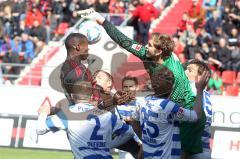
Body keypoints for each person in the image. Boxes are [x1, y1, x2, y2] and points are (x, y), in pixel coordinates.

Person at [78, 8, 204, 157]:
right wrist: (101, 19)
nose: (145, 46)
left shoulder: (172, 73)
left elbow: (174, 101)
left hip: (186, 109)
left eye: (150, 45)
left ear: (159, 52)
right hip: (168, 104)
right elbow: (125, 41)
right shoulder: (146, 54)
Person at [36, 62, 137, 159]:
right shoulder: (101, 105)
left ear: (109, 83)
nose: (95, 79)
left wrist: (45, 112)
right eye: (94, 77)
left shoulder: (109, 97)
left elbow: (40, 129)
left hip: (120, 142)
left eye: (99, 77)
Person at [133, 66, 209, 159]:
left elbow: (134, 122)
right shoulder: (169, 106)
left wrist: (145, 141)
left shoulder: (143, 102)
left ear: (153, 85)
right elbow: (196, 116)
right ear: (172, 86)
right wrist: (200, 90)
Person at [184, 59, 212, 159]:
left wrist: (185, 153)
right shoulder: (207, 94)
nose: (185, 72)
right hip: (204, 150)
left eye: (190, 70)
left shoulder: (191, 90)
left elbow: (192, 123)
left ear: (201, 76)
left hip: (191, 150)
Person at [116, 76, 141, 159]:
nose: (128, 89)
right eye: (125, 87)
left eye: (131, 86)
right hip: (127, 146)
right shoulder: (117, 106)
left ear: (136, 87)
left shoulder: (142, 104)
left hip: (142, 144)